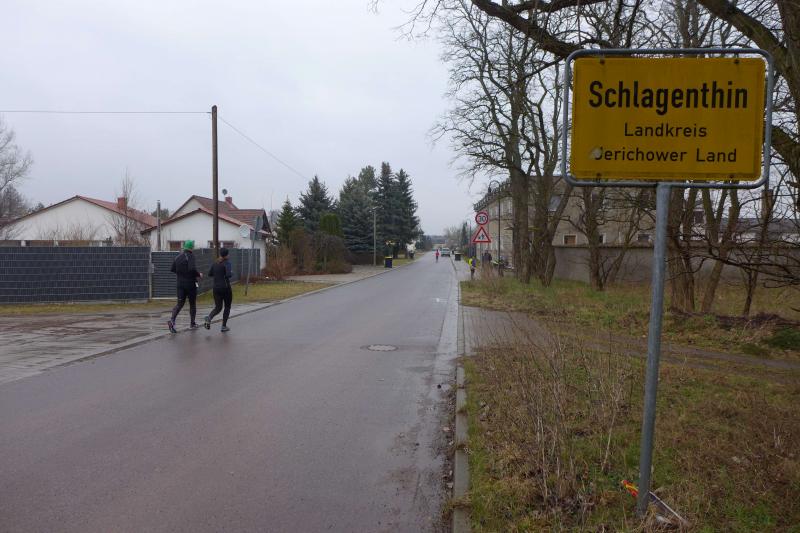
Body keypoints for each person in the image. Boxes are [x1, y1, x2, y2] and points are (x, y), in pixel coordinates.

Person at [167, 240, 202, 333]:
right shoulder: (191, 256)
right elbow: (192, 269)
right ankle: (192, 323)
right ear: (191, 248)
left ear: (184, 247)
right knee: (192, 304)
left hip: (180, 284)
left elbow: (172, 269)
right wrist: (199, 274)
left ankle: (172, 321)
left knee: (179, 304)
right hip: (190, 284)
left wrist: (181, 274)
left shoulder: (178, 257)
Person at [204, 248, 233, 333]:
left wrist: (217, 274)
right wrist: (231, 272)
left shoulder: (215, 263)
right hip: (225, 288)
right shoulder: (227, 263)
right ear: (226, 255)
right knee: (227, 307)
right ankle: (223, 326)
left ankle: (209, 318)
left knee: (218, 307)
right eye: (228, 254)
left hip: (216, 288)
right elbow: (228, 274)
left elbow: (210, 274)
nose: (229, 255)